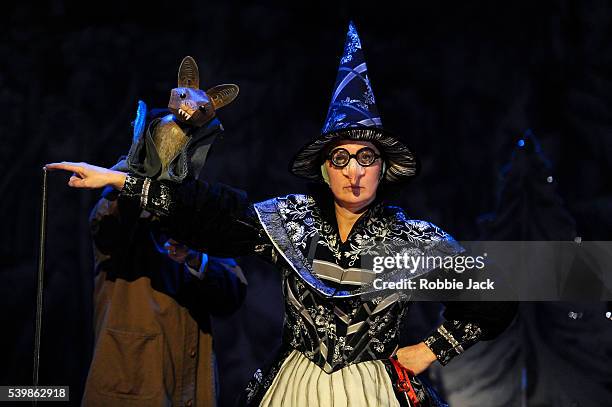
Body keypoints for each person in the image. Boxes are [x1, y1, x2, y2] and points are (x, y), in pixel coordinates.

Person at [49, 22, 516, 407]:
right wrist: (121, 181)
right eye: (340, 159)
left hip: (377, 391)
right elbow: (211, 213)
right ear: (323, 170)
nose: (353, 172)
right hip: (296, 388)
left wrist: (433, 348)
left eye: (366, 158)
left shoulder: (413, 241)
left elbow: (496, 293)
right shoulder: (289, 222)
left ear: (384, 169)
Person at [79, 57, 247, 407]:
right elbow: (106, 230)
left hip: (189, 383)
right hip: (132, 381)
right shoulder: (119, 202)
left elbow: (232, 292)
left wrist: (196, 258)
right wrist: (126, 182)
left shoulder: (198, 212)